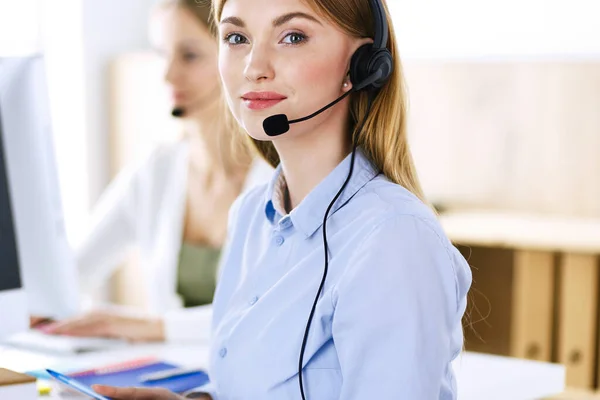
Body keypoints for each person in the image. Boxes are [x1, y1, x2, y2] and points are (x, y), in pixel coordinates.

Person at [94, 0, 472, 398]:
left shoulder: (392, 239)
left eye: (292, 37)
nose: (254, 67)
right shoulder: (252, 215)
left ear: (362, 67)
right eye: (236, 38)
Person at [39, 0, 272, 343]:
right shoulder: (156, 170)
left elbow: (272, 314)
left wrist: (153, 327)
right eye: (161, 54)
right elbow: (70, 276)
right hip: (173, 378)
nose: (167, 75)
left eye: (189, 56)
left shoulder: (280, 175)